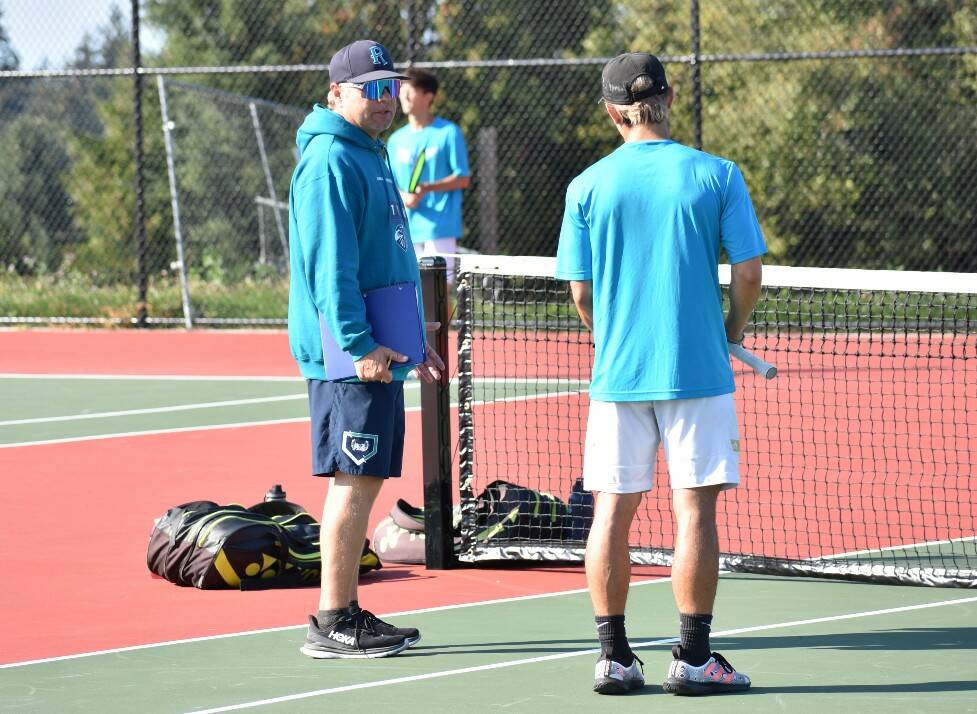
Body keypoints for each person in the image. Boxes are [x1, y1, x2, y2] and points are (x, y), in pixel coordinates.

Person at [555, 52, 765, 695]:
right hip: (697, 372)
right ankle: (694, 657)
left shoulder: (587, 186)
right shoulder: (718, 174)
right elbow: (749, 276)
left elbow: (580, 292)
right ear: (669, 98)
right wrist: (729, 331)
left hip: (618, 376)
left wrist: (610, 339)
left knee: (610, 516)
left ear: (611, 111)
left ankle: (614, 657)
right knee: (694, 513)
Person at [287, 39, 444, 660]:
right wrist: (360, 346)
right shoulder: (330, 159)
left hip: (379, 349)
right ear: (337, 95)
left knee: (367, 475)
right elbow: (333, 270)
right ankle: (332, 621)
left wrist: (411, 343)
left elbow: (389, 262)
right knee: (355, 479)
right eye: (371, 89)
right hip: (348, 354)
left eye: (390, 87)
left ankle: (344, 611)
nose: (385, 99)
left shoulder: (371, 154)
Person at [387, 67, 470, 281]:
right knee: (410, 290)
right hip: (404, 228)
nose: (402, 95)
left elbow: (462, 178)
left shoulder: (449, 133)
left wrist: (427, 188)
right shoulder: (395, 139)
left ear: (428, 96)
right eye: (401, 89)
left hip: (439, 227)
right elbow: (388, 182)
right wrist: (402, 196)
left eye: (410, 90)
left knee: (439, 290)